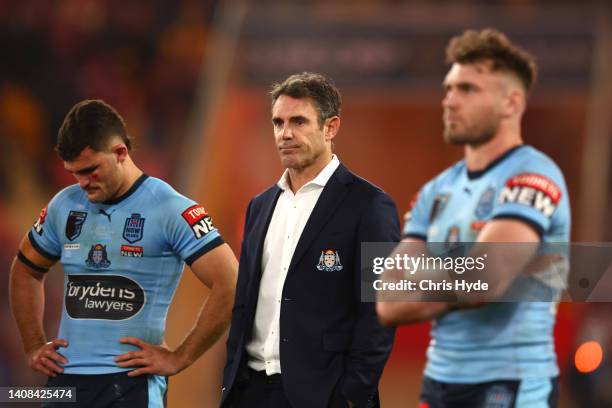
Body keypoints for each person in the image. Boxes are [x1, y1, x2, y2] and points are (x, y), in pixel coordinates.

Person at [376, 29, 571, 407]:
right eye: (449, 88)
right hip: (438, 382)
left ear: (511, 104)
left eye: (467, 90)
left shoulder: (533, 175)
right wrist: (465, 277)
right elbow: (387, 298)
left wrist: (442, 277)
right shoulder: (435, 190)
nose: (449, 101)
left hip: (511, 385)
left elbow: (484, 280)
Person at [9, 99, 238, 407]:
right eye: (74, 172)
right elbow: (25, 270)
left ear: (121, 153)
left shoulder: (170, 208)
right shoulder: (64, 205)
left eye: (90, 170)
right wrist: (34, 344)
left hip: (130, 383)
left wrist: (180, 357)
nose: (82, 183)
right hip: (64, 381)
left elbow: (231, 281)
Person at [221, 72, 399, 408]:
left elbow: (379, 312)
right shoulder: (260, 206)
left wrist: (351, 395)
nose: (285, 133)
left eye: (299, 121)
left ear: (331, 127)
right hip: (252, 392)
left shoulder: (369, 204)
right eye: (278, 122)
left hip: (325, 394)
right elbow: (244, 303)